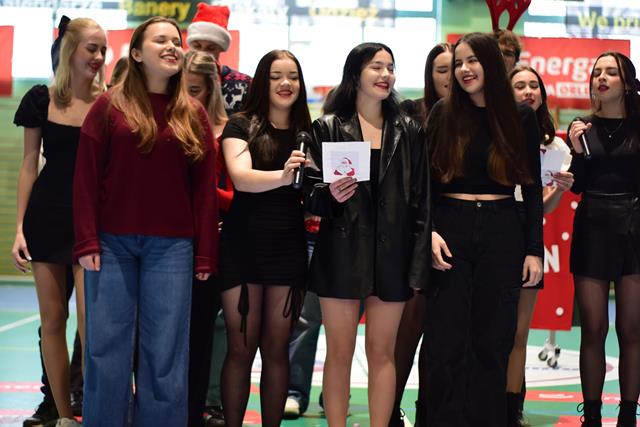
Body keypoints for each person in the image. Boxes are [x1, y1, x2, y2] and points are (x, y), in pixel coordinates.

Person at [73, 16, 218, 427]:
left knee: (165, 354)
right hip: (111, 245)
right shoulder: (108, 107)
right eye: (161, 40)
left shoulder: (193, 114)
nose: (172, 46)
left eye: (176, 40)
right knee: (106, 351)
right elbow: (85, 178)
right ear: (136, 53)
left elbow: (204, 192)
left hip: (172, 249)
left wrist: (206, 253)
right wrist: (86, 240)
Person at [305, 42, 430, 427]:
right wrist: (329, 194)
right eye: (376, 66)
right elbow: (310, 195)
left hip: (393, 255)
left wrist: (417, 266)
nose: (385, 74)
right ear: (355, 74)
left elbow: (422, 201)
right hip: (341, 251)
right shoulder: (327, 127)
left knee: (383, 352)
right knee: (339, 353)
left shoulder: (409, 130)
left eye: (390, 67)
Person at [422, 32, 543, 427]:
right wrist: (429, 232)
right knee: (444, 340)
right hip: (449, 229)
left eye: (472, 60)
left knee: (493, 341)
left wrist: (534, 249)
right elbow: (426, 184)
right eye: (458, 63)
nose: (464, 70)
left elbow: (531, 187)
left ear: (490, 63)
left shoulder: (520, 116)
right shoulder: (442, 112)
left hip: (502, 228)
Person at [12, 16, 106, 427]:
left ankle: (96, 409)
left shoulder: (110, 102)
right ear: (71, 50)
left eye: (103, 50)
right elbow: (29, 164)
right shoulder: (41, 99)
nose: (99, 57)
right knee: (52, 321)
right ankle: (64, 415)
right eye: (91, 48)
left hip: (91, 223)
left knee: (91, 325)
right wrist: (19, 228)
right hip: (47, 217)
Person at [219, 49, 310, 427]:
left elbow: (319, 190)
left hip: (288, 247)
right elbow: (241, 178)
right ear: (262, 82)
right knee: (241, 349)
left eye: (293, 76)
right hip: (243, 245)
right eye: (276, 76)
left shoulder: (309, 132)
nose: (285, 83)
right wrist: (285, 176)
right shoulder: (240, 125)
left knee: (276, 350)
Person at [567, 51, 640, 427]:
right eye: (597, 72)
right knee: (593, 329)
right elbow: (577, 185)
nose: (602, 77)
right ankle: (592, 416)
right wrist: (577, 153)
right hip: (592, 224)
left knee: (631, 329)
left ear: (626, 83)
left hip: (635, 226)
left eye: (611, 72)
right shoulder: (581, 128)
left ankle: (628, 415)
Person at [506, 65, 574, 426]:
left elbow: (543, 208)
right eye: (519, 85)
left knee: (519, 332)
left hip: (527, 235)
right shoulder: (493, 133)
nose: (528, 91)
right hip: (489, 231)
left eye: (534, 85)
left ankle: (511, 408)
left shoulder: (556, 147)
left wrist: (559, 191)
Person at [389, 41, 452, 426]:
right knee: (407, 330)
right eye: (442, 69)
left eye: (455, 68)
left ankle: (429, 413)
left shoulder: (476, 115)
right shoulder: (411, 113)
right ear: (430, 74)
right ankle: (389, 410)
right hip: (414, 231)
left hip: (459, 231)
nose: (450, 76)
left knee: (443, 336)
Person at [183, 49, 230, 427]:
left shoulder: (229, 130)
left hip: (216, 243)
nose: (188, 98)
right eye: (182, 89)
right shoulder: (170, 124)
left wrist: (202, 196)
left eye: (195, 89)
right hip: (172, 241)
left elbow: (237, 194)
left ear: (212, 88)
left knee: (206, 333)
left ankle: (200, 407)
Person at [187, 2, 252, 115]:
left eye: (211, 48)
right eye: (197, 46)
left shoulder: (245, 84)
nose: (203, 53)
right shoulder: (174, 80)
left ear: (221, 49)